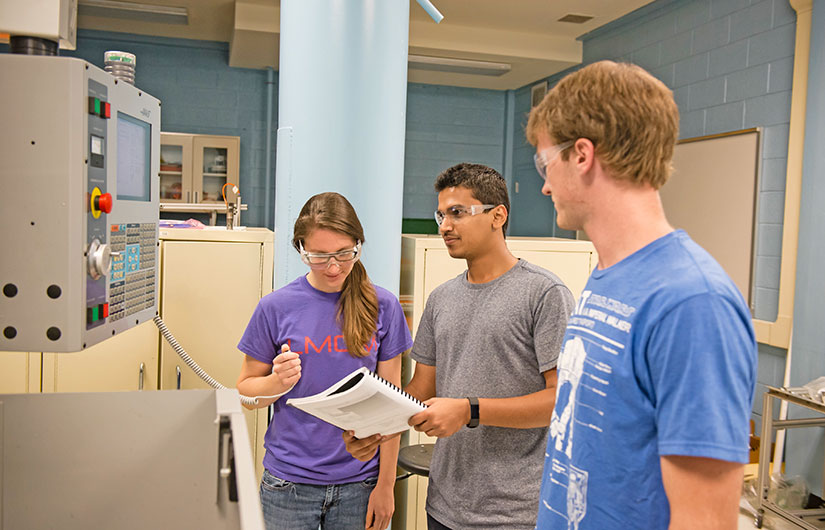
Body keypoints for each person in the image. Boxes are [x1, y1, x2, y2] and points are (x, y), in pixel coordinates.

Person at [526, 60, 757, 529]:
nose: (546, 184)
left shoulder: (692, 304)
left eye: (545, 162)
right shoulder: (609, 276)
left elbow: (705, 520)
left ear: (583, 155)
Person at [345, 163, 575, 530]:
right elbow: (421, 391)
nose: (444, 226)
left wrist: (469, 410)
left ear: (497, 215)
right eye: (440, 214)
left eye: (457, 213)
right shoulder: (441, 298)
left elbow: (560, 402)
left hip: (515, 514)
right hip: (444, 507)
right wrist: (375, 429)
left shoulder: (544, 294)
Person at [236, 192, 413, 530]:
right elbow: (245, 394)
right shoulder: (275, 308)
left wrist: (386, 485)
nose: (333, 267)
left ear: (358, 245)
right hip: (288, 485)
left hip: (360, 484)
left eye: (345, 254)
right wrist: (276, 383)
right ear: (301, 250)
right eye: (319, 256)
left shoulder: (384, 306)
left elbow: (392, 409)